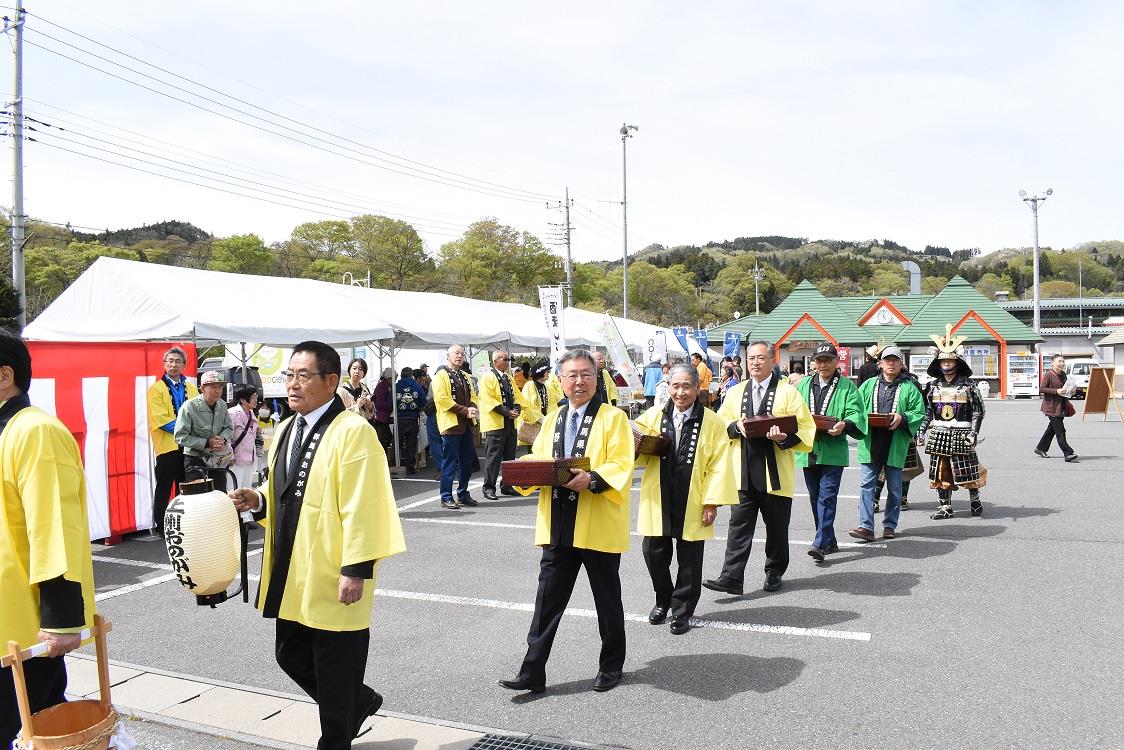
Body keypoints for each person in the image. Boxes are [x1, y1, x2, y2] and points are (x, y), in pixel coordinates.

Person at [230, 341, 405, 750]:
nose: (292, 385)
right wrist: (259, 499)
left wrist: (356, 569)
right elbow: (285, 489)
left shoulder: (354, 432)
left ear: (331, 381)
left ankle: (336, 738)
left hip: (335, 568)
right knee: (290, 654)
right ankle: (358, 700)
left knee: (335, 666)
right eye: (289, 375)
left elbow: (368, 505)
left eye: (302, 376)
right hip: (294, 566)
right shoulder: (289, 427)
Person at [499, 350, 634, 693]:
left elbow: (621, 463)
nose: (579, 381)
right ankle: (532, 670)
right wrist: (521, 472)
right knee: (547, 602)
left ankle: (611, 666)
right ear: (560, 380)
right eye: (572, 375)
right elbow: (542, 458)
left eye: (586, 374)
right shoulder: (554, 419)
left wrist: (593, 480)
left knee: (606, 599)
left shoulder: (613, 417)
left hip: (597, 523)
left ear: (596, 378)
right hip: (558, 523)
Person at [0, 330, 97, 748]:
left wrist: (60, 619)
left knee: (29, 731)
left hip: (24, 626)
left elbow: (54, 526)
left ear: (4, 375)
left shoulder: (35, 430)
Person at [702, 340, 815, 595]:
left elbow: (806, 428)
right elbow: (721, 423)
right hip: (742, 472)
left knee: (776, 528)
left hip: (775, 474)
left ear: (772, 361)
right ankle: (731, 577)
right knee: (738, 527)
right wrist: (736, 427)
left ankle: (774, 571)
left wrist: (783, 437)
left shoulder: (788, 393)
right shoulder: (736, 391)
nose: (755, 362)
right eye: (751, 358)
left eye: (760, 358)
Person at [635, 364, 736, 634]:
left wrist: (712, 501)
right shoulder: (653, 416)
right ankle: (663, 598)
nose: (680, 392)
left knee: (690, 559)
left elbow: (719, 464)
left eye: (686, 386)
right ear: (668, 387)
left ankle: (682, 611)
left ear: (697, 388)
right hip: (659, 494)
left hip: (694, 496)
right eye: (675, 386)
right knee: (653, 552)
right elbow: (634, 452)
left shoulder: (713, 422)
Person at [794, 343, 866, 561]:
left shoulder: (847, 387)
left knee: (827, 497)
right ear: (813, 363)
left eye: (828, 360)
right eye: (819, 360)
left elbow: (856, 413)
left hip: (834, 450)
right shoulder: (803, 385)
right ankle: (829, 539)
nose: (823, 364)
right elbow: (792, 410)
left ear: (836, 362)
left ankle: (819, 543)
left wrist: (844, 423)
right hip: (809, 449)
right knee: (815, 498)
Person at [849, 346, 925, 542]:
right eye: (887, 360)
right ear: (880, 363)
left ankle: (890, 525)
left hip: (896, 441)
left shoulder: (910, 387)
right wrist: (864, 418)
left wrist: (903, 417)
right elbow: (856, 408)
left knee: (895, 487)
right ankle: (865, 526)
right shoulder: (868, 385)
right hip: (871, 440)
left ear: (902, 364)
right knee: (867, 485)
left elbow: (919, 412)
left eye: (895, 360)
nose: (891, 363)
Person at [919, 327, 987, 520]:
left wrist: (973, 432)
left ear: (957, 362)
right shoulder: (932, 387)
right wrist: (922, 431)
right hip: (940, 431)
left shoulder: (968, 385)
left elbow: (978, 411)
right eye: (943, 361)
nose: (946, 364)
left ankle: (974, 498)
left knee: (968, 468)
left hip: (962, 431)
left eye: (949, 360)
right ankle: (945, 506)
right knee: (940, 470)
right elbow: (927, 411)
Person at [146, 345, 198, 534]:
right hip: (167, 446)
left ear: (184, 365)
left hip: (188, 446)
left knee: (184, 485)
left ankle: (182, 523)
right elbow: (160, 420)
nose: (174, 365)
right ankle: (161, 525)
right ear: (164, 364)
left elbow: (197, 415)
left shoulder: (192, 388)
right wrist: (186, 430)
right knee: (164, 486)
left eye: (178, 361)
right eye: (170, 361)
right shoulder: (156, 389)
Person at [478, 350, 531, 500]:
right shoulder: (487, 378)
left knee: (509, 457)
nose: (507, 362)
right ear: (495, 361)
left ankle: (507, 485)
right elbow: (488, 400)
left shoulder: (509, 378)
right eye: (505, 359)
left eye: (508, 359)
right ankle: (489, 487)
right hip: (496, 424)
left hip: (509, 422)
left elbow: (518, 397)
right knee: (493, 457)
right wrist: (506, 412)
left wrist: (517, 409)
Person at [432, 345, 480, 509]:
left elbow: (474, 395)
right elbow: (442, 399)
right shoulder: (441, 375)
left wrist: (472, 407)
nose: (459, 356)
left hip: (466, 424)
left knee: (467, 461)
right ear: (448, 356)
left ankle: (463, 493)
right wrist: (465, 410)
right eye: (456, 353)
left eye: (462, 353)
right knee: (450, 462)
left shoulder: (466, 376)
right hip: (451, 425)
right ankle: (446, 496)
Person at [175, 370, 234, 492]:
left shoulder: (222, 405)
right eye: (213, 387)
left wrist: (222, 438)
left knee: (219, 494)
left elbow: (229, 428)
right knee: (199, 498)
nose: (218, 391)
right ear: (202, 388)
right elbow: (180, 436)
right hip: (195, 460)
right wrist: (207, 443)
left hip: (217, 460)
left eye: (220, 387)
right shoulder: (189, 407)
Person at [1035, 354, 1078, 462]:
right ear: (1052, 363)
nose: (1062, 364)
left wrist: (1071, 391)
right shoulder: (1048, 374)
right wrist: (1056, 391)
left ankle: (1040, 448)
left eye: (1063, 361)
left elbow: (1065, 388)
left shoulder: (1063, 374)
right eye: (1059, 361)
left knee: (1052, 430)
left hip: (1061, 406)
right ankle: (1068, 453)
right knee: (1060, 431)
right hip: (1051, 407)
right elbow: (1042, 389)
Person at [228, 384, 261, 489]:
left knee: (246, 490)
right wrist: (230, 457)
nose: (256, 400)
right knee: (234, 490)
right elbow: (226, 437)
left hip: (249, 459)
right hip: (236, 461)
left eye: (256, 396)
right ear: (242, 400)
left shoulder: (251, 413)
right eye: (253, 397)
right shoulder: (232, 414)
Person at [394, 367, 425, 475]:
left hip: (399, 418)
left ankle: (394, 465)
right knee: (411, 444)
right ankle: (410, 467)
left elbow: (390, 403)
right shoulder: (417, 386)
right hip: (413, 418)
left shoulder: (395, 387)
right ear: (411, 375)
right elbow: (423, 402)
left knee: (397, 443)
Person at [371, 368, 394, 455]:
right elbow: (379, 403)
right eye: (394, 378)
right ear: (389, 378)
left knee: (386, 439)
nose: (394, 380)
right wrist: (390, 406)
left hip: (384, 416)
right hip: (381, 418)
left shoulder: (386, 386)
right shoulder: (382, 386)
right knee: (384, 440)